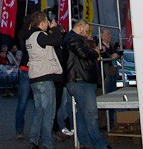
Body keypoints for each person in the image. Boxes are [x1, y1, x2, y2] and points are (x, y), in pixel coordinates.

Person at [63, 20, 109, 149]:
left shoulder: (73, 38)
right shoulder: (73, 39)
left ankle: (86, 141)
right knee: (90, 113)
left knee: (83, 114)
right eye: (86, 30)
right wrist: (95, 52)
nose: (87, 33)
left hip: (80, 80)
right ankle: (99, 143)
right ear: (80, 27)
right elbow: (83, 54)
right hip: (80, 80)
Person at [25, 11, 64, 149]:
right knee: (49, 112)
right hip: (44, 77)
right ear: (42, 23)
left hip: (35, 78)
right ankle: (47, 142)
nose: (48, 23)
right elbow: (57, 41)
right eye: (47, 21)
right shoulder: (40, 35)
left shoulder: (29, 37)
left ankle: (34, 138)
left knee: (39, 110)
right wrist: (55, 28)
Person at [14, 25, 34, 140]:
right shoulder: (24, 34)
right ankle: (19, 128)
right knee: (22, 102)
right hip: (26, 69)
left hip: (35, 70)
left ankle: (38, 128)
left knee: (38, 103)